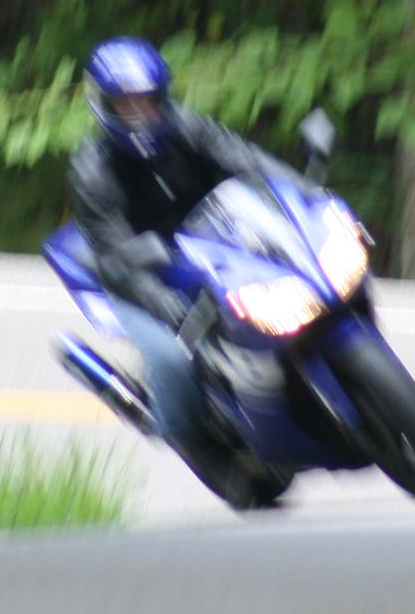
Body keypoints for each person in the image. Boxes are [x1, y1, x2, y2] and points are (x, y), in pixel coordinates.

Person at [67, 36, 308, 486]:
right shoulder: (91, 170)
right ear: (103, 105)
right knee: (173, 362)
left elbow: (247, 160)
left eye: (147, 101)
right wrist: (163, 304)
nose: (139, 113)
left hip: (213, 247)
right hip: (142, 275)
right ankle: (190, 438)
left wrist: (303, 192)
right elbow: (116, 259)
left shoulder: (188, 127)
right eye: (125, 104)